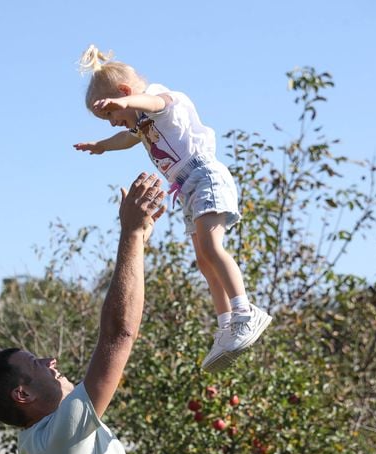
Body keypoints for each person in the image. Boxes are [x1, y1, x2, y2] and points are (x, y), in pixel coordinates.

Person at [0, 172, 167, 454]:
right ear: (22, 395)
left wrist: (139, 241)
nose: (49, 360)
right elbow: (119, 334)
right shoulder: (61, 435)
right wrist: (131, 235)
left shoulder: (49, 441)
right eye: (35, 364)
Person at [74, 45, 272, 372]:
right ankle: (227, 325)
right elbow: (128, 139)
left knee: (211, 245)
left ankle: (245, 312)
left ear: (125, 94)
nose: (112, 123)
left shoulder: (163, 100)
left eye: (109, 115)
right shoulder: (142, 125)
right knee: (203, 259)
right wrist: (102, 147)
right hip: (187, 188)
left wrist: (125, 104)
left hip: (205, 175)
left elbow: (153, 103)